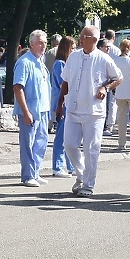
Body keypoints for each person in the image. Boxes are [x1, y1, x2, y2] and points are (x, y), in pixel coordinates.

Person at [56, 25, 122, 197]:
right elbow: (65, 81)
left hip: (94, 112)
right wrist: (59, 103)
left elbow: (118, 77)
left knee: (91, 148)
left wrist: (105, 88)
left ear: (93, 40)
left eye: (83, 36)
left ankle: (88, 185)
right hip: (73, 109)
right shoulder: (74, 56)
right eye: (80, 36)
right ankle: (81, 174)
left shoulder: (103, 59)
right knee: (69, 145)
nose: (80, 39)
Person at [13, 30, 51, 188]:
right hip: (29, 110)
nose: (43, 45)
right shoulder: (25, 62)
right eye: (40, 42)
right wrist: (26, 111)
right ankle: (27, 175)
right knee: (28, 143)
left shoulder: (40, 61)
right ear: (31, 44)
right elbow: (18, 87)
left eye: (45, 42)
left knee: (41, 142)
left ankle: (35, 172)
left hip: (42, 110)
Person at [50, 36, 76, 178]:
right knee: (61, 136)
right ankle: (57, 166)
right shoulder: (60, 64)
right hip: (62, 103)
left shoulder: (66, 63)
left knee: (69, 136)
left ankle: (70, 165)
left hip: (68, 102)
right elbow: (63, 85)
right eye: (72, 48)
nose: (74, 51)